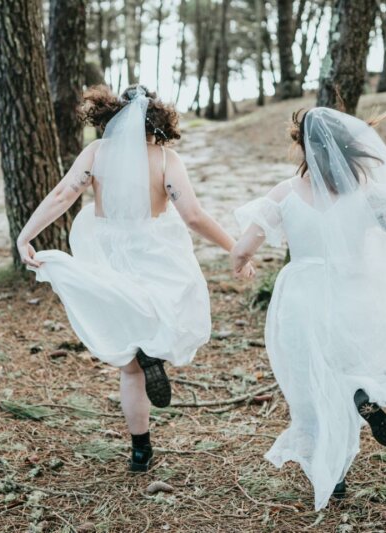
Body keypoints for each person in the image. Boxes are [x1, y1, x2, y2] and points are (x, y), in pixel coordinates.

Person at [17, 84, 253, 472]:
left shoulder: (96, 154)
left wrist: (26, 235)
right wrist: (235, 249)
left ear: (112, 116)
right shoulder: (165, 159)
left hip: (108, 252)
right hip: (155, 250)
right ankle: (154, 351)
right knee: (165, 309)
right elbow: (193, 216)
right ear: (156, 119)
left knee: (128, 365)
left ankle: (140, 450)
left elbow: (63, 195)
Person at [230, 107, 386, 510]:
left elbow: (243, 246)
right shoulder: (364, 189)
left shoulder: (285, 192)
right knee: (348, 367)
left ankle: (334, 476)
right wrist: (385, 236)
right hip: (353, 290)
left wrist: (242, 263)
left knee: (312, 382)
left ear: (302, 146)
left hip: (303, 295)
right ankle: (361, 394)